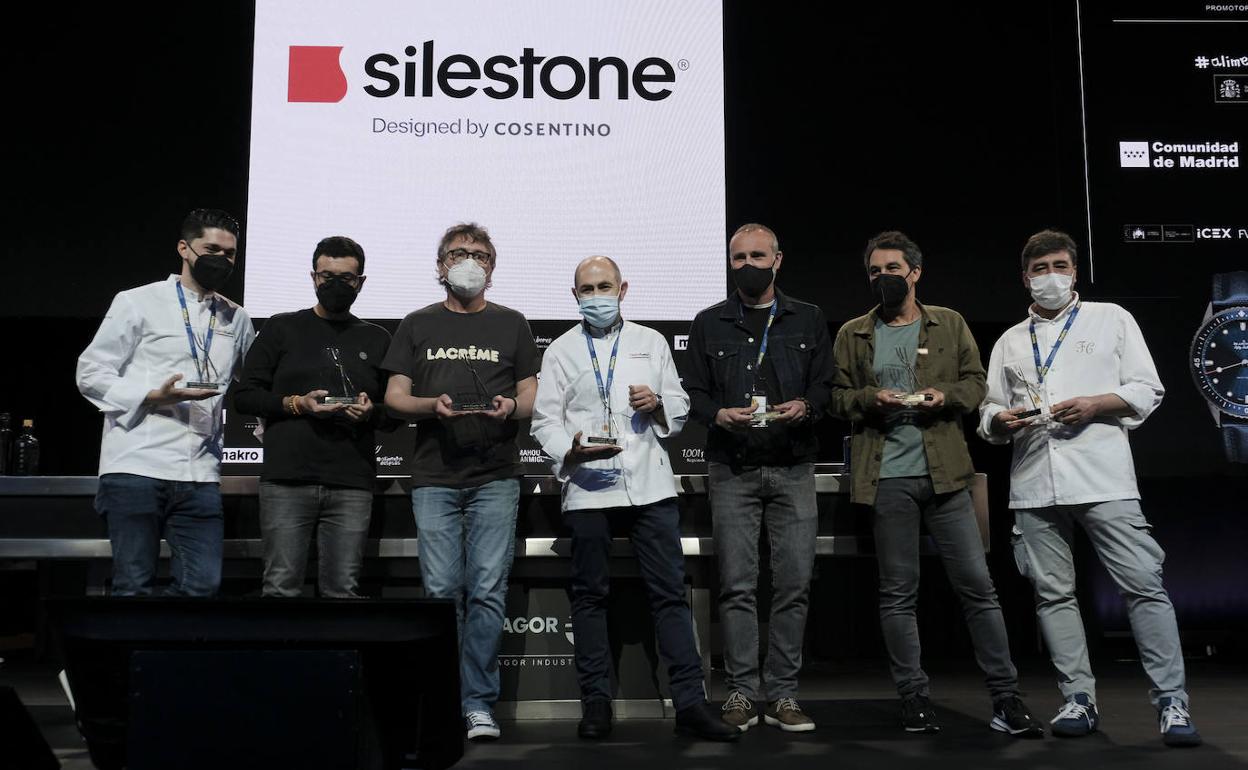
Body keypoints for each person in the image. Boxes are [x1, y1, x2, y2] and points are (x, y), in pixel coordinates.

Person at [978, 229, 1200, 747]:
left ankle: (1172, 703)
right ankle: (1077, 697)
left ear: (1074, 272)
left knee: (1144, 585)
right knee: (1053, 595)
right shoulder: (1012, 339)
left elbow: (1148, 388)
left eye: (1059, 265)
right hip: (1034, 479)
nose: (1050, 276)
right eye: (1040, 269)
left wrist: (1098, 404)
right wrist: (1000, 421)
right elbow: (988, 411)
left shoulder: (1112, 319)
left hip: (1103, 477)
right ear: (1025, 277)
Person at [829, 230, 1041, 737]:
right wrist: (868, 400)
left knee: (979, 589)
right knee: (898, 593)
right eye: (875, 271)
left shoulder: (948, 323)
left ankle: (1006, 699)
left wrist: (940, 396)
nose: (884, 278)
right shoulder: (854, 333)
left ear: (915, 273)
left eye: (893, 270)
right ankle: (914, 698)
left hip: (946, 476)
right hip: (888, 479)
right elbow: (836, 397)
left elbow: (976, 386)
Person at [530, 255, 738, 742]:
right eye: (587, 289)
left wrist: (660, 404)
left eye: (605, 286)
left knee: (669, 594)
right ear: (575, 294)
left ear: (623, 289)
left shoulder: (651, 341)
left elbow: (681, 404)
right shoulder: (559, 350)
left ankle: (690, 704)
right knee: (589, 596)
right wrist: (571, 451)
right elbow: (544, 420)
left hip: (649, 483)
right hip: (587, 486)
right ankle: (596, 704)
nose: (596, 296)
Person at [382, 223, 539, 742]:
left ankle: (477, 704)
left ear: (492, 267)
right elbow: (395, 397)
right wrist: (433, 406)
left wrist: (511, 408)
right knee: (442, 590)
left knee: (489, 591)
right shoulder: (416, 323)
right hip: (433, 476)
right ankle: (443, 696)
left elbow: (532, 396)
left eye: (479, 254)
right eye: (458, 253)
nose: (468, 261)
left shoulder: (512, 324)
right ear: (440, 265)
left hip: (495, 475)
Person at [684, 223, 833, 732]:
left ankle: (785, 694)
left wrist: (807, 406)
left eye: (757, 256)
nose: (748, 264)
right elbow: (693, 394)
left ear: (778, 259)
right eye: (739, 257)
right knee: (737, 586)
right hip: (733, 467)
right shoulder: (709, 322)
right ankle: (742, 693)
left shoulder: (808, 318)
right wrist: (719, 415)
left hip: (793, 465)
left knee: (793, 584)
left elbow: (827, 385)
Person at [76, 208, 255, 596]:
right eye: (211, 249)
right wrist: (152, 395)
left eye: (230, 253)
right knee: (133, 586)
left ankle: (172, 654)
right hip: (137, 466)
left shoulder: (237, 318)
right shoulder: (138, 302)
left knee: (202, 586)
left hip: (201, 473)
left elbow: (253, 384)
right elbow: (90, 372)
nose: (221, 259)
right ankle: (130, 656)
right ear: (184, 248)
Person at [234, 236, 391, 598]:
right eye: (327, 276)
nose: (336, 284)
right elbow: (245, 396)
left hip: (352, 482)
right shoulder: (281, 328)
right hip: (287, 480)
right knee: (280, 589)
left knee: (342, 591)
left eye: (346, 278)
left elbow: (392, 414)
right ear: (313, 277)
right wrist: (296, 404)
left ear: (360, 282)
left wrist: (370, 412)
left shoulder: (378, 338)